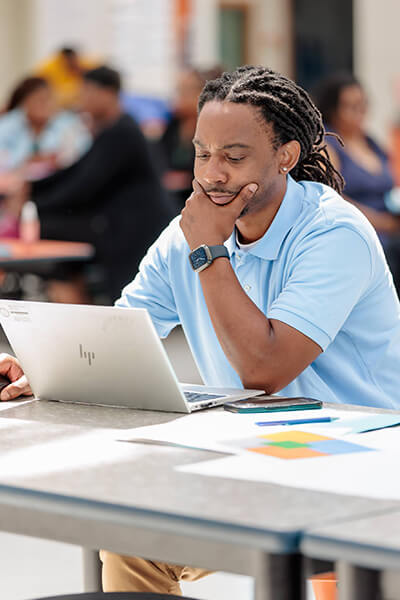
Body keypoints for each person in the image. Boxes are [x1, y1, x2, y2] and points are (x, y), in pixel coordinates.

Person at [1, 65, 400, 594]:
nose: (212, 174)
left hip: (361, 467)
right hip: (253, 450)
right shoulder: (188, 232)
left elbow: (265, 370)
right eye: (202, 153)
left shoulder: (333, 232)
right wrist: (45, 365)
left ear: (285, 156)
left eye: (234, 157)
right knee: (131, 537)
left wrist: (209, 252)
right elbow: (119, 331)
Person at [28, 66, 172, 302]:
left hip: (132, 228)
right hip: (114, 222)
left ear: (107, 93)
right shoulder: (111, 131)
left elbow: (82, 187)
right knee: (53, 232)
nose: (82, 100)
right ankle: (71, 291)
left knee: (48, 229)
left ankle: (72, 297)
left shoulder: (123, 133)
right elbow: (74, 171)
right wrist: (31, 188)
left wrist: (34, 204)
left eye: (87, 92)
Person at [314, 72, 400, 289]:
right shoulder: (329, 143)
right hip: (360, 232)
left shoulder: (370, 141)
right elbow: (330, 196)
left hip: (389, 224)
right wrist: (379, 221)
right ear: (333, 109)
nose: (359, 113)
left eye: (363, 106)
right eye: (351, 107)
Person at [0, 76, 91, 174]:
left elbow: (82, 151)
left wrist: (58, 160)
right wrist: (29, 160)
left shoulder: (68, 123)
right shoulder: (9, 123)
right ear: (24, 102)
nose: (45, 105)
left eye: (49, 99)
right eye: (39, 100)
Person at [156, 68, 206, 211]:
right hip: (171, 198)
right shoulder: (173, 124)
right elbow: (158, 157)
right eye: (178, 90)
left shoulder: (209, 128)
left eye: (186, 91)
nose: (179, 97)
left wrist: (186, 179)